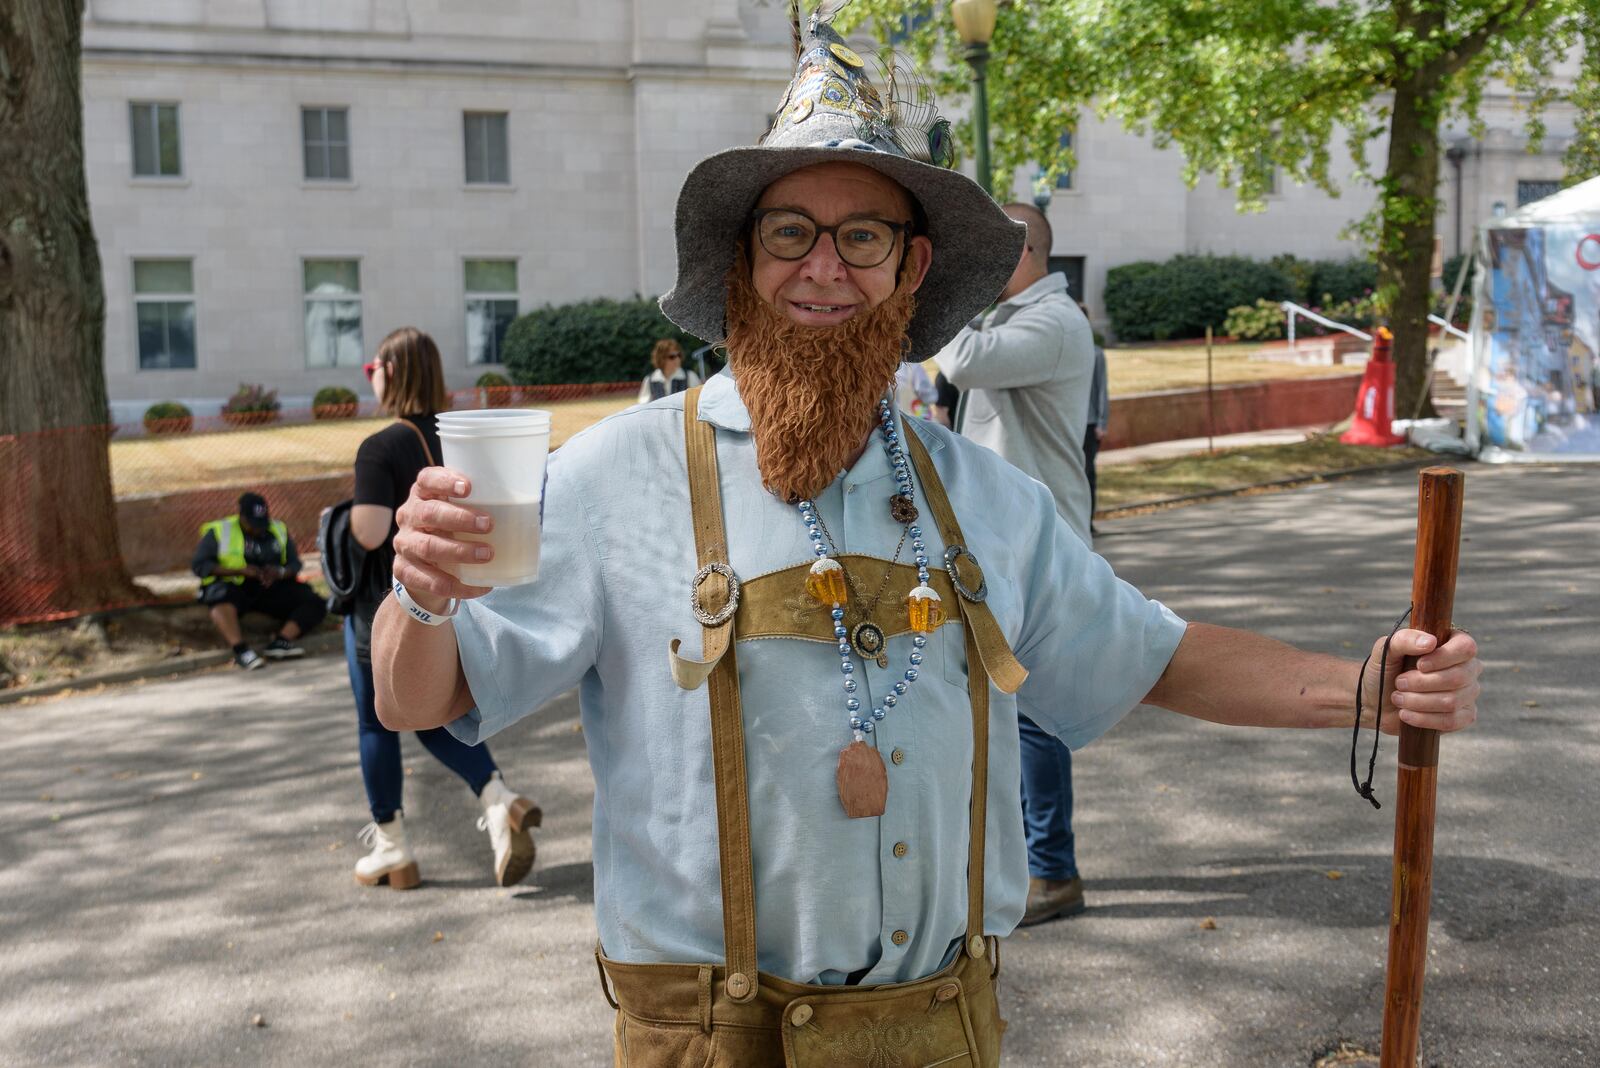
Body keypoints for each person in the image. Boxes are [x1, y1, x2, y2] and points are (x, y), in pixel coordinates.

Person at [369, 8, 1480, 1063]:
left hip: (939, 1030)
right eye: (789, 234)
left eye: (862, 237)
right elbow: (416, 700)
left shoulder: (984, 497)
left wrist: (1364, 688)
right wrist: (419, 593)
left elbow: (1154, 655)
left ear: (911, 272)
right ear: (743, 268)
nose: (823, 267)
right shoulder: (617, 472)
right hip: (703, 1039)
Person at [936, 205, 1099, 925]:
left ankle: (1052, 874)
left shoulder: (1053, 323)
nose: (973, 264)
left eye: (984, 251)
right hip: (1001, 541)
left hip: (1043, 544)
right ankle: (1025, 864)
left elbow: (962, 361)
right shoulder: (1016, 319)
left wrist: (934, 290)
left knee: (1031, 714)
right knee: (1001, 710)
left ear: (1022, 252)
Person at [346, 326, 541, 891]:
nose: (371, 377)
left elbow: (370, 532)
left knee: (380, 716)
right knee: (432, 710)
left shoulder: (381, 447)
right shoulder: (457, 441)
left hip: (387, 604)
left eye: (372, 368)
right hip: (463, 597)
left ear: (392, 371)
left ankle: (391, 845)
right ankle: (498, 798)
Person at [192, 492, 326, 670]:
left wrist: (279, 572)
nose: (258, 529)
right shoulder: (220, 531)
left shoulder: (277, 529)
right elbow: (200, 566)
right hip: (235, 586)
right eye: (253, 524)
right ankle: (241, 651)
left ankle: (281, 642)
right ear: (241, 516)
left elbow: (294, 564)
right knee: (219, 597)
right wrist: (240, 571)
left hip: (268, 588)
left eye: (262, 524)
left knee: (313, 601)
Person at [1083, 303, 1110, 533]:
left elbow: (1102, 388)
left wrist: (1102, 422)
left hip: (1089, 424)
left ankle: (1088, 522)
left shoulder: (1095, 354)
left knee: (1087, 473)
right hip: (1066, 423)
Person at [638, 337, 703, 404]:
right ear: (661, 358)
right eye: (672, 356)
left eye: (679, 355)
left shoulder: (690, 376)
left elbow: (699, 402)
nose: (677, 359)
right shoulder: (649, 380)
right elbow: (643, 405)